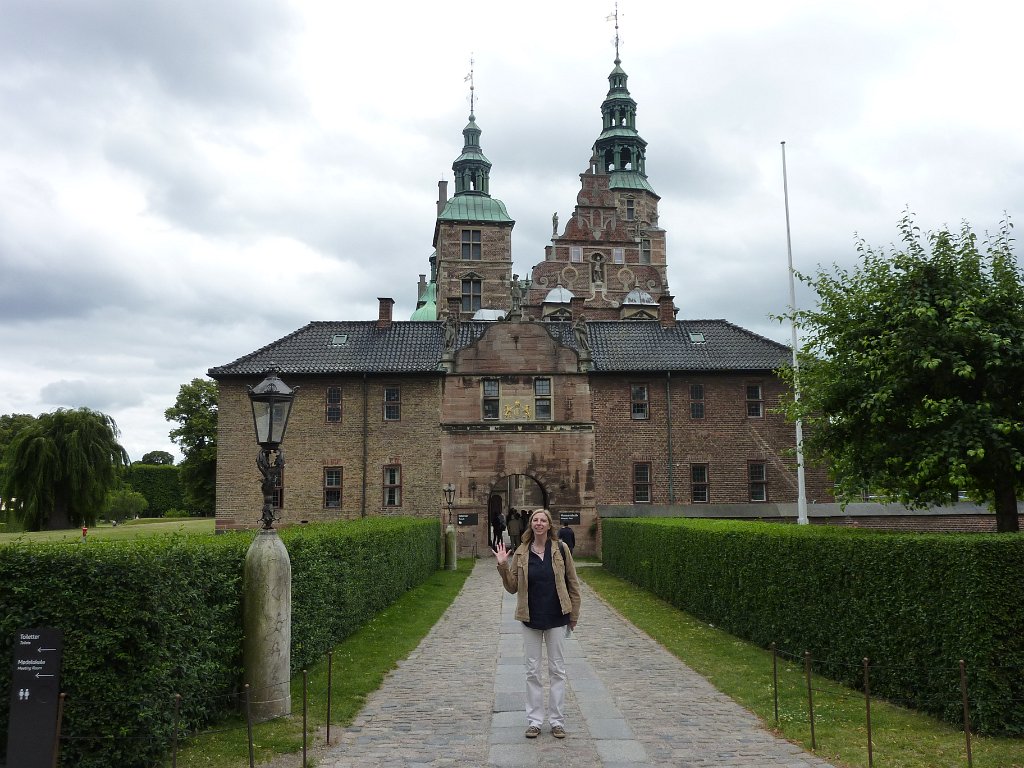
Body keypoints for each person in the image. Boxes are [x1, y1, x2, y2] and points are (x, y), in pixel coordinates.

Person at [494, 508, 581, 739]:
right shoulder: (522, 552)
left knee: (557, 671)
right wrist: (503, 565)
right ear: (530, 524)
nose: (539, 523)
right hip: (530, 617)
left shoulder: (560, 549)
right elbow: (512, 587)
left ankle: (556, 721)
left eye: (543, 520)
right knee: (532, 671)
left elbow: (573, 583)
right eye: (535, 520)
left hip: (556, 616)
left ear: (549, 525)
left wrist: (574, 615)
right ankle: (534, 720)